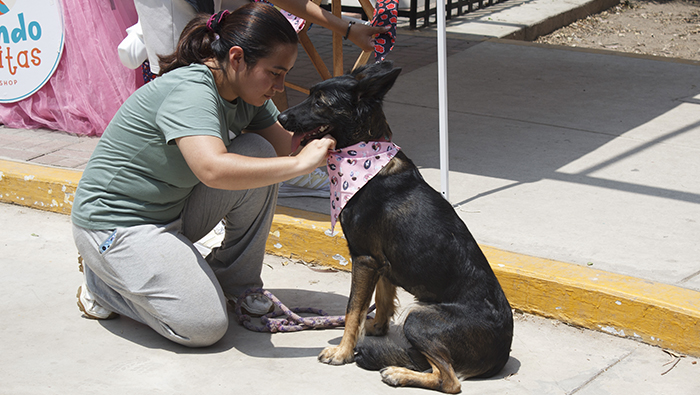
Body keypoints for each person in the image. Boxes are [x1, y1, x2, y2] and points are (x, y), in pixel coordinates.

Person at [71, 3, 336, 347]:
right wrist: (301, 165)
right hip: (116, 225)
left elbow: (285, 148)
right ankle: (102, 286)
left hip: (172, 213)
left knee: (257, 151)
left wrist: (338, 135)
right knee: (204, 326)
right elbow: (212, 169)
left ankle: (235, 285)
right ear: (238, 58)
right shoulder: (192, 89)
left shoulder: (245, 92)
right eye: (275, 72)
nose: (281, 86)